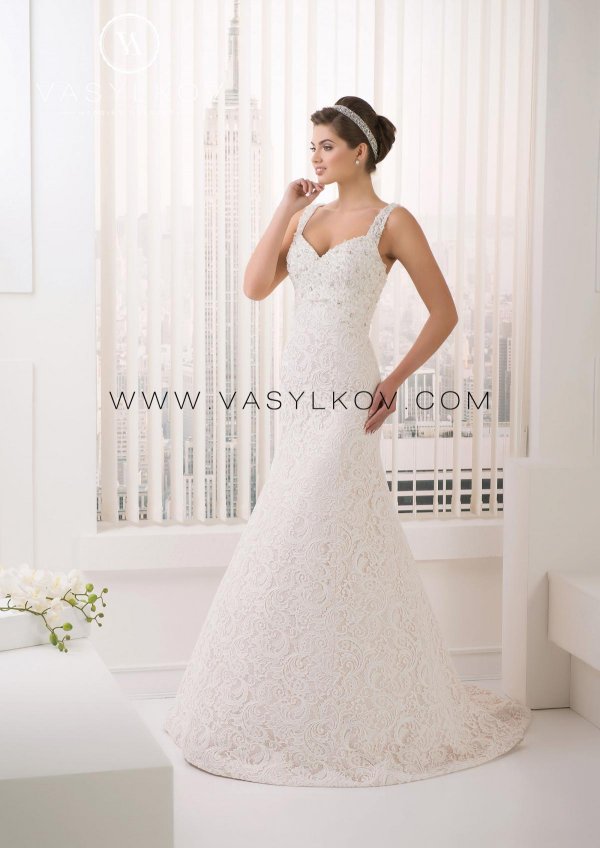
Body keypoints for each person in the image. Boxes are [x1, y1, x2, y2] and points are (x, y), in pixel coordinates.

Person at [164, 95, 532, 787]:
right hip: (300, 389)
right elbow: (254, 286)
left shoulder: (393, 222)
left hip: (349, 391)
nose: (315, 157)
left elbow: (445, 312)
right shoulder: (306, 216)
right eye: (311, 147)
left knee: (317, 519)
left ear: (360, 151)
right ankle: (303, 695)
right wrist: (284, 205)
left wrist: (393, 380)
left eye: (326, 146)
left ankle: (367, 700)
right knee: (304, 531)